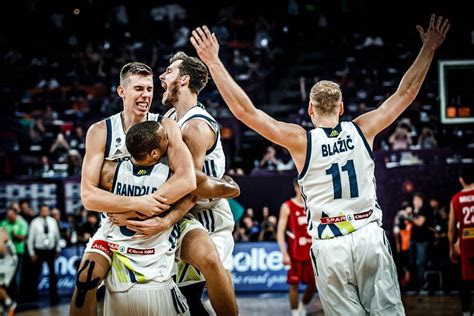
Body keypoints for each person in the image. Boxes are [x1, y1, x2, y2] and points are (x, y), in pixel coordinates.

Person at [191, 14, 449, 315]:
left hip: (330, 242)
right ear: (341, 108)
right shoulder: (364, 128)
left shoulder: (301, 141)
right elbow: (405, 93)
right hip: (368, 234)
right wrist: (429, 48)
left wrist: (214, 62)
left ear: (310, 108)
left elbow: (245, 111)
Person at [71, 61, 237, 316]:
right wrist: (138, 205)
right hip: (118, 223)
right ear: (122, 91)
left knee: (210, 259)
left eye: (149, 89)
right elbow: (88, 196)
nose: (146, 95)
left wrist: (151, 208)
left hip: (166, 219)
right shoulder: (101, 131)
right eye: (138, 88)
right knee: (85, 280)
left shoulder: (167, 126)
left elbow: (188, 180)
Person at [98, 121, 239, 316]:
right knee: (210, 264)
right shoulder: (171, 176)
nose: (172, 138)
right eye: (167, 138)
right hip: (156, 263)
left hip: (129, 263)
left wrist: (125, 210)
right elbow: (226, 190)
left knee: (86, 279)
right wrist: (228, 182)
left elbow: (90, 196)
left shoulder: (109, 172)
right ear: (155, 153)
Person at [159, 51, 238, 315]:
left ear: (184, 80)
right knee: (185, 301)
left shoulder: (195, 126)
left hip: (206, 220)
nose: (162, 75)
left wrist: (163, 220)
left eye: (169, 71)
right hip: (186, 219)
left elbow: (191, 185)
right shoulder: (171, 118)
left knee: (195, 295)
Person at [276, 179, 316, 316]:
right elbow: (280, 232)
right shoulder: (287, 206)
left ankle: (303, 306)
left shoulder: (313, 205)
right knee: (294, 284)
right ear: (296, 187)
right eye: (300, 187)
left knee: (314, 284)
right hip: (295, 252)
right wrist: (284, 253)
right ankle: (294, 313)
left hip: (312, 252)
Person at [448, 166, 474, 316]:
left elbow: (451, 228)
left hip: (465, 244)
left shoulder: (456, 199)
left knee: (465, 281)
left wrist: (451, 247)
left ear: (461, 180)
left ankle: (465, 312)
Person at [27, 204, 61, 304]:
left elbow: (57, 236)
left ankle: (54, 295)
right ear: (40, 211)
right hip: (39, 251)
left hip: (50, 250)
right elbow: (30, 239)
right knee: (36, 273)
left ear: (49, 211)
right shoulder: (35, 222)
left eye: (46, 210)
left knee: (52, 274)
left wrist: (57, 248)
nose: (45, 212)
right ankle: (33, 296)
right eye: (43, 210)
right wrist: (32, 253)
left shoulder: (53, 221)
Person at [0, 208, 27, 299]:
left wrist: (14, 235)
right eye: (8, 214)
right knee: (5, 280)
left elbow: (23, 237)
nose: (10, 216)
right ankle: (8, 299)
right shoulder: (4, 223)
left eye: (11, 214)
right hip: (4, 257)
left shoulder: (21, 223)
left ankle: (14, 298)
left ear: (16, 214)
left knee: (16, 277)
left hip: (16, 253)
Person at [0, 228, 17, 315]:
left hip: (8, 261)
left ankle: (9, 304)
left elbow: (2, 249)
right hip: (3, 261)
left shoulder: (1, 231)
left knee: (0, 285)